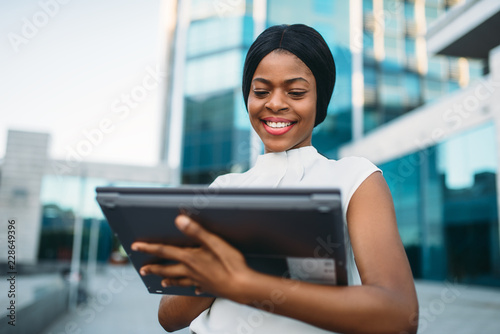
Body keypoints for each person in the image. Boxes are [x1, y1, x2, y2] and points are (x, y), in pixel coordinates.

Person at [131, 24, 419, 334]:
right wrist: (212, 274)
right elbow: (169, 318)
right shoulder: (222, 190)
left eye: (295, 92)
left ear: (320, 99)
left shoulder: (355, 179)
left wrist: (246, 283)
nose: (275, 103)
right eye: (261, 91)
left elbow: (400, 316)